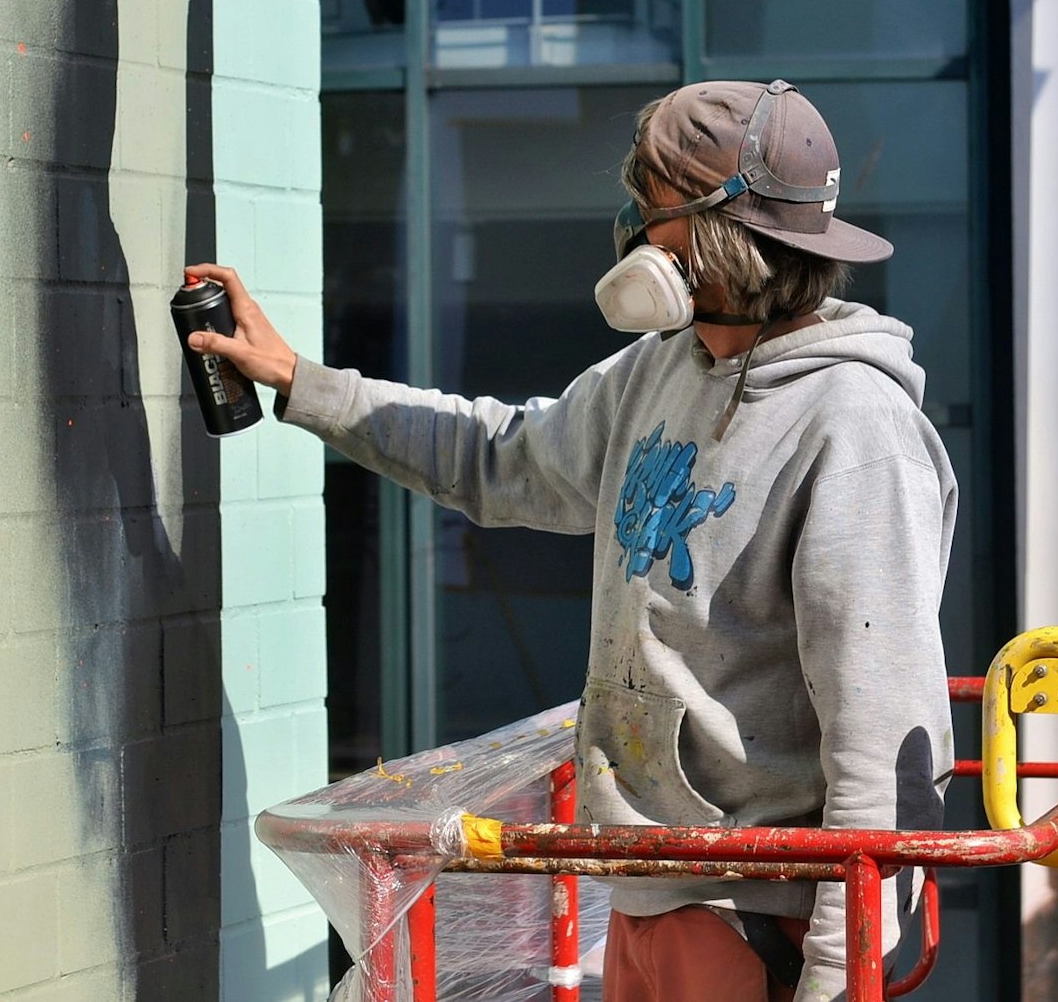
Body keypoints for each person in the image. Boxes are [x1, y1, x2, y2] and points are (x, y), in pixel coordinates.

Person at [189, 79, 956, 1002]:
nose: (635, 233)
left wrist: (840, 979)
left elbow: (883, 736)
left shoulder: (855, 423)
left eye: (652, 210)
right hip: (645, 885)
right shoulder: (663, 369)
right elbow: (500, 454)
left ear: (715, 233)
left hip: (757, 909)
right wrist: (302, 382)